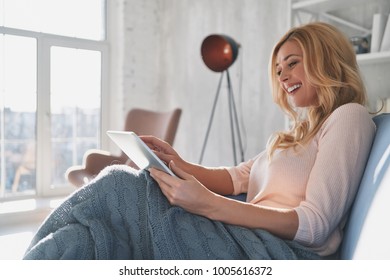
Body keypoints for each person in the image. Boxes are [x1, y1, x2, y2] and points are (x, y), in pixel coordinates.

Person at [23, 22, 376, 260]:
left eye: (292, 63)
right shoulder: (298, 133)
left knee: (119, 185)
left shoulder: (349, 117)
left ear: (325, 60)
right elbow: (237, 177)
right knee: (90, 235)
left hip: (273, 251)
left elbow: (314, 226)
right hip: (242, 232)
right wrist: (175, 162)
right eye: (279, 68)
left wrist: (208, 205)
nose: (282, 75)